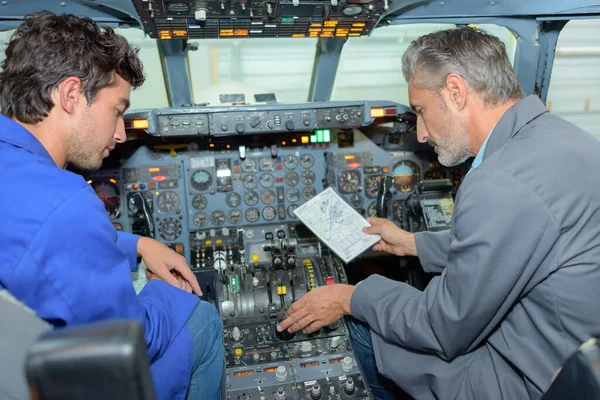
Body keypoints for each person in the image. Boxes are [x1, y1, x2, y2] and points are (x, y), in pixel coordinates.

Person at [277, 26, 600, 399]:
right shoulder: (560, 137)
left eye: (421, 111)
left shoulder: (500, 182)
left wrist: (349, 297)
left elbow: (441, 327)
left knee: (356, 336)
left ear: (456, 91)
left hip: (527, 378)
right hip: (560, 349)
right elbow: (515, 247)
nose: (420, 134)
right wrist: (413, 243)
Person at [0, 12, 223, 400]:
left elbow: (28, 242)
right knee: (202, 320)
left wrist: (135, 245)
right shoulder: (63, 201)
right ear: (70, 95)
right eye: (117, 110)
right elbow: (135, 337)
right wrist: (175, 294)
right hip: (68, 382)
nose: (121, 133)